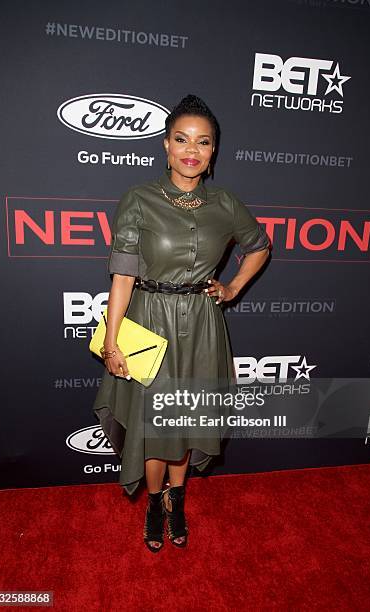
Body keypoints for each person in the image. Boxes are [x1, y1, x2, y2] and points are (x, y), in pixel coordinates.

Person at [92, 94, 270, 552]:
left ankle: (178, 498)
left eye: (203, 142)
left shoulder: (226, 204)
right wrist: (112, 342)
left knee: (187, 420)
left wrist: (231, 289)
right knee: (155, 426)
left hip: (203, 324)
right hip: (150, 323)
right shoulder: (138, 199)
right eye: (181, 139)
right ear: (166, 146)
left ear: (213, 153)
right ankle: (155, 503)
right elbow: (124, 276)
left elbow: (260, 245)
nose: (192, 149)